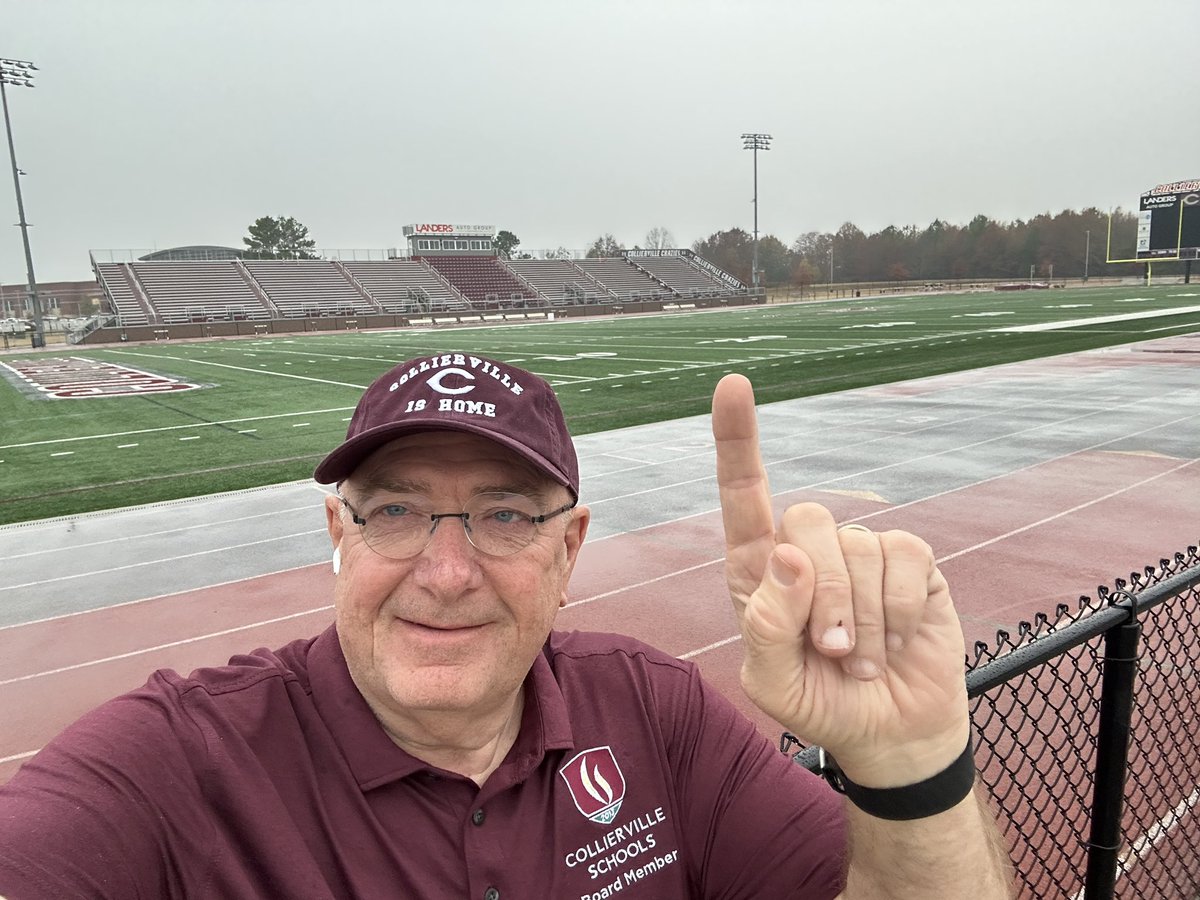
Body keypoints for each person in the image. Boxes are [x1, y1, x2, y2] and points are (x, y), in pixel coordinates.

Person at [0, 353, 1013, 899]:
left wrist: (914, 770)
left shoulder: (652, 710)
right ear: (337, 537)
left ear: (569, 551)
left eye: (503, 514)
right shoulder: (169, 769)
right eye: (394, 510)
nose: (447, 573)